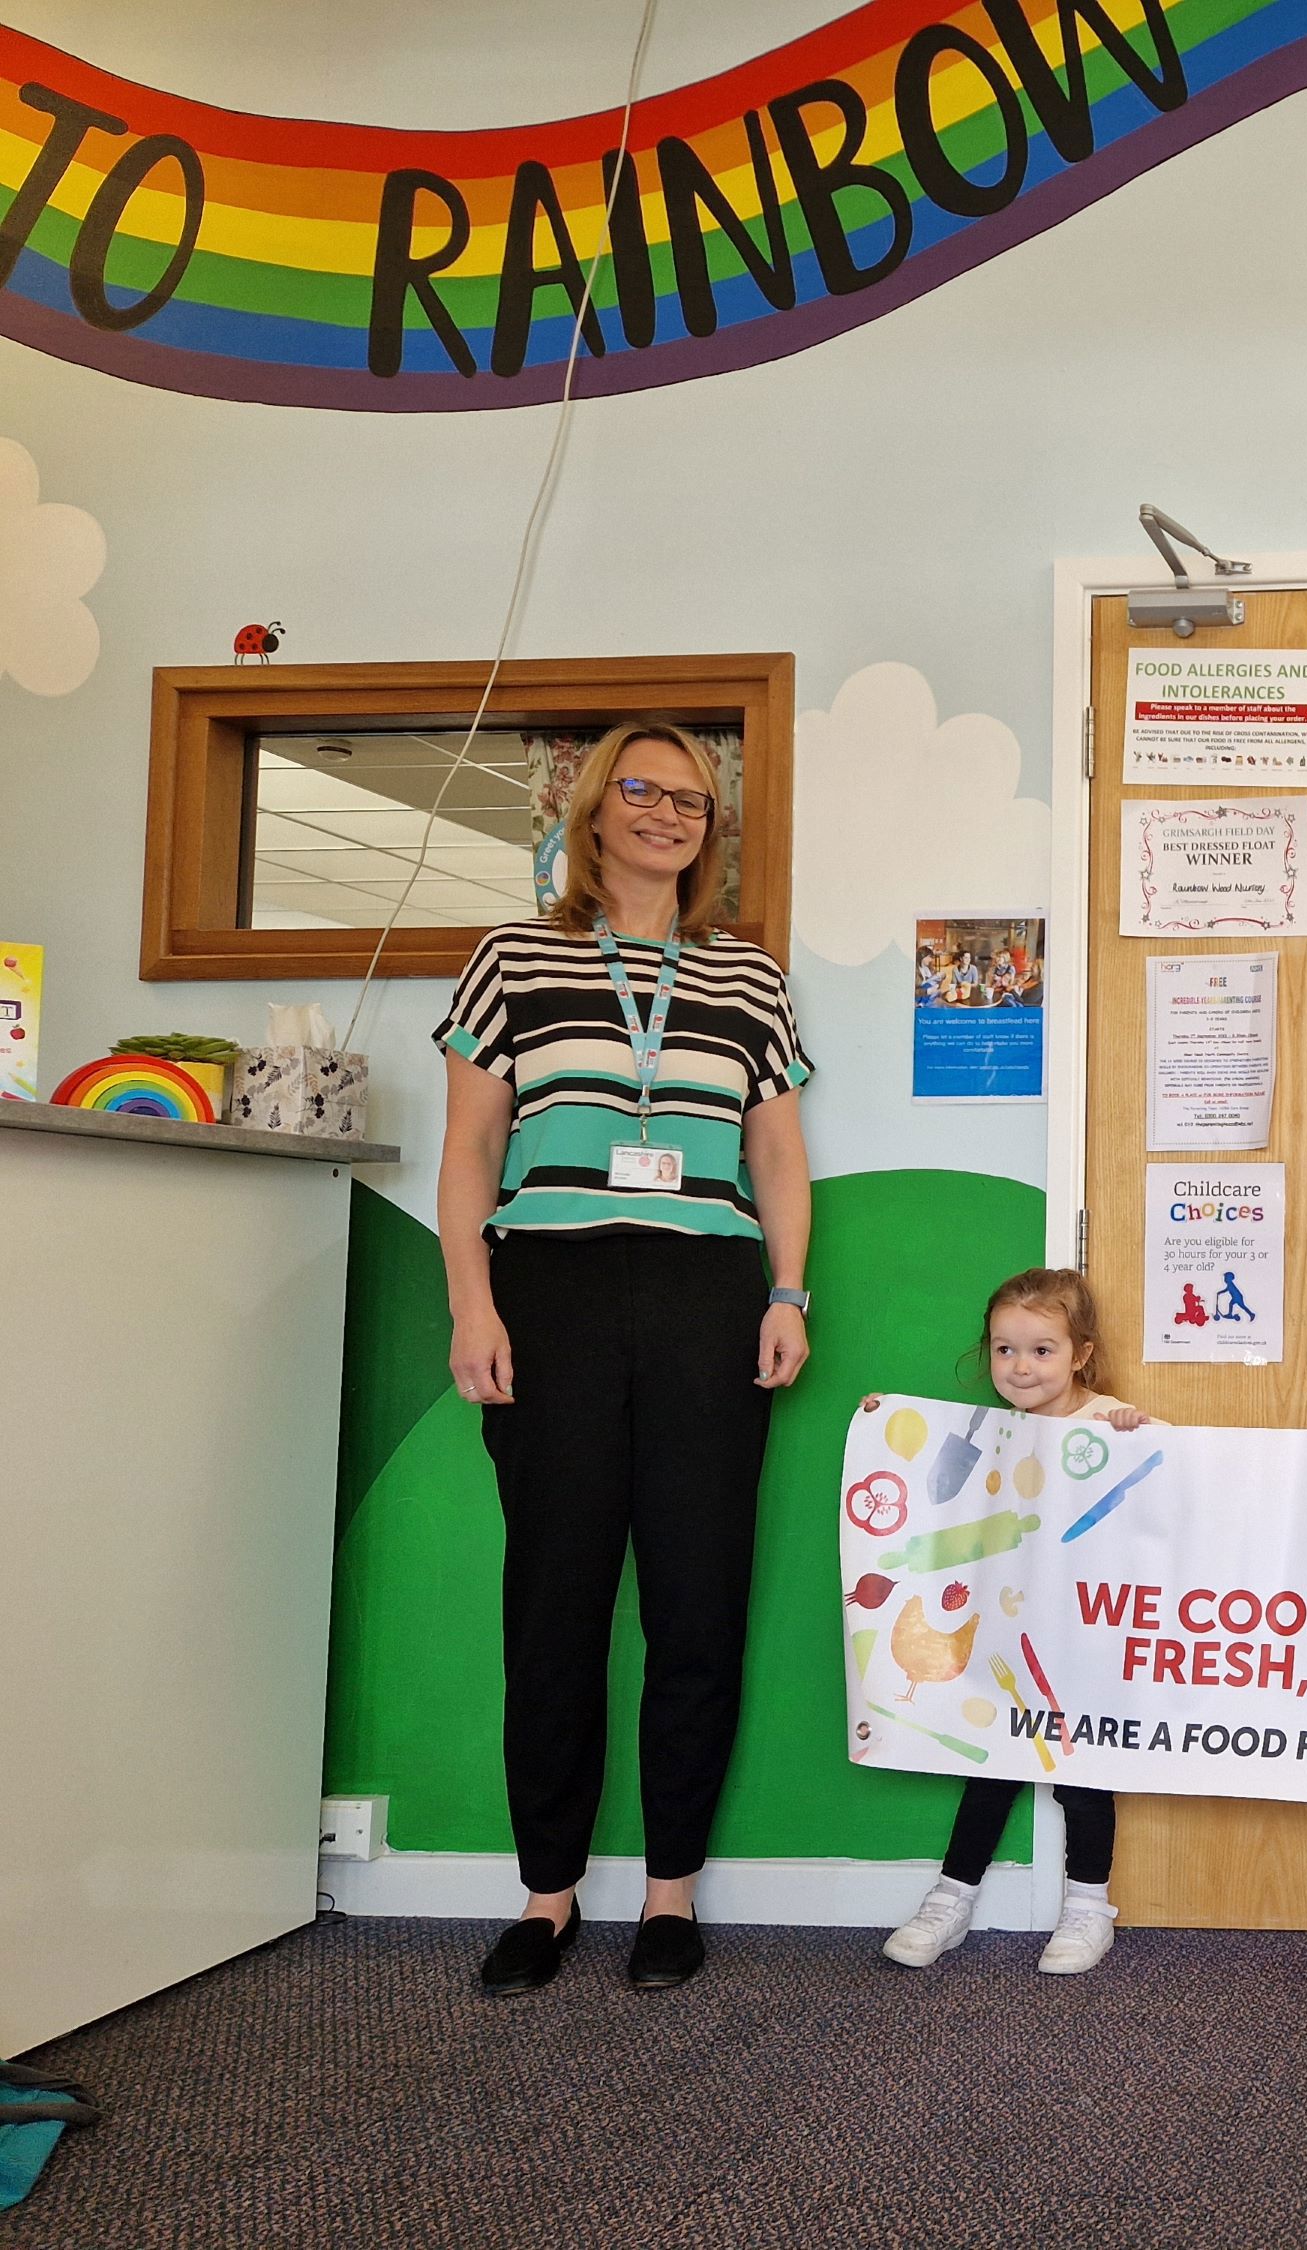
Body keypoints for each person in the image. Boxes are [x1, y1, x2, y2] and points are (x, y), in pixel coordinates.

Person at [438, 720, 815, 1999]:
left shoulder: (747, 976)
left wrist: (787, 1292)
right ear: (594, 808)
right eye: (643, 791)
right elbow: (469, 1149)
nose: (667, 814)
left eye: (693, 801)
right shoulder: (514, 958)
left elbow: (777, 1153)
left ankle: (670, 1894)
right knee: (554, 1603)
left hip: (709, 1295)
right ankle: (546, 1896)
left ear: (711, 830)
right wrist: (473, 1307)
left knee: (698, 1602)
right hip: (551, 1292)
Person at [881, 1269, 1152, 1976]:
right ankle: (951, 1898)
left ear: (1080, 1354)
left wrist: (1137, 1434)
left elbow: (1161, 1488)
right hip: (1006, 1634)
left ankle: (1088, 1906)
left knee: (1085, 1772)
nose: (1021, 1367)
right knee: (991, 1763)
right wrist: (881, 1428)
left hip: (1083, 1639)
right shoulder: (992, 1433)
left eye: (1041, 1350)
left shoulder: (1106, 1423)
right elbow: (936, 1490)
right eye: (1005, 1350)